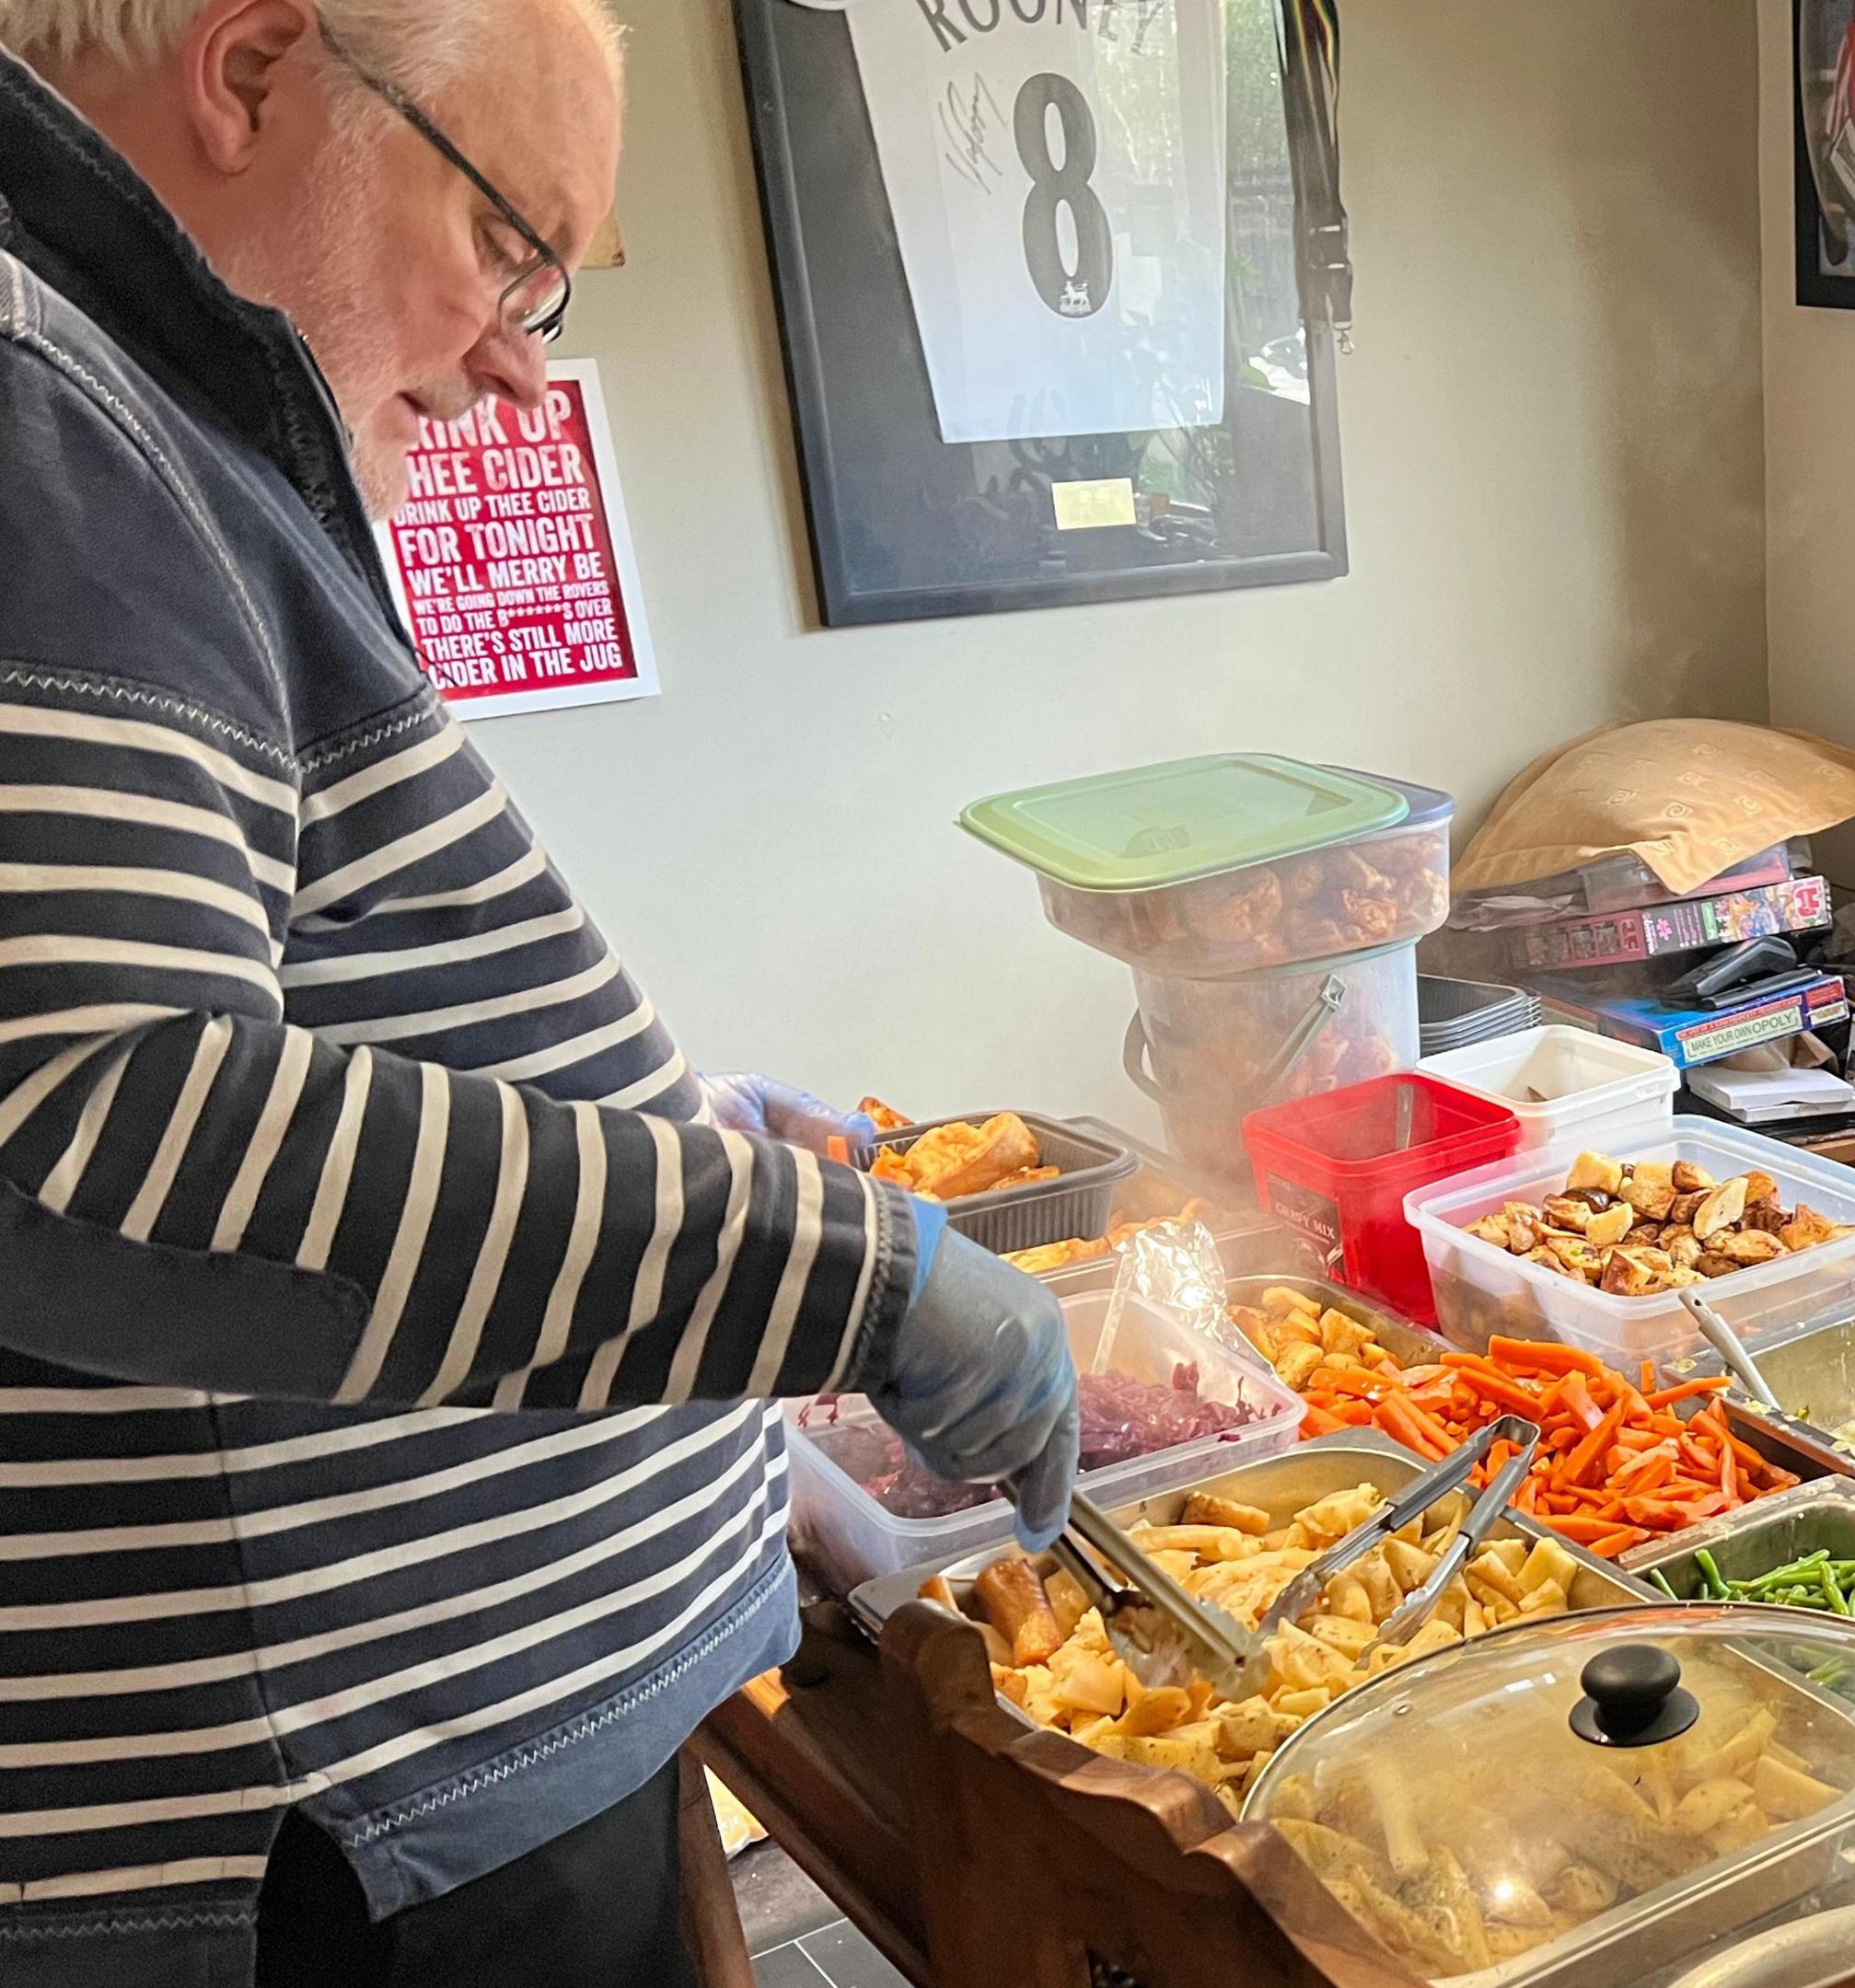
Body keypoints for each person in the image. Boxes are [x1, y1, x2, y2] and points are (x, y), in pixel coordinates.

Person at [0, 2, 1082, 1982]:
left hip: (415, 1773)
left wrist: (660, 1124)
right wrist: (844, 1270)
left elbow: (243, 995)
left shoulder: (129, 401)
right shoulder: (35, 400)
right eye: (509, 241)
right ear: (250, 72)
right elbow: (86, 1133)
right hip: (338, 1819)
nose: (519, 359)